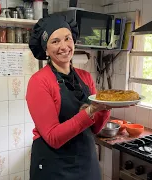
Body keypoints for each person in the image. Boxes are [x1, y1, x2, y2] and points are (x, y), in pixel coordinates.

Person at [26, 14, 111, 180]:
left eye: (67, 38)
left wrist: (105, 108)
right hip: (55, 167)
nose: (64, 46)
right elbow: (53, 138)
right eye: (55, 41)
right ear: (46, 49)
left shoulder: (85, 77)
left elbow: (94, 129)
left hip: (87, 164)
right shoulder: (39, 82)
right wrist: (89, 111)